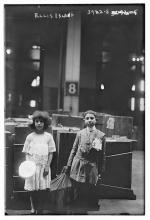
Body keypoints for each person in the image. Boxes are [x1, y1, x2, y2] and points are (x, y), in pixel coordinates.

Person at [64, 110, 106, 211]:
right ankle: (77, 207)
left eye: (92, 118)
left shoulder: (101, 135)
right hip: (78, 164)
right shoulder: (80, 133)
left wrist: (100, 170)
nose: (89, 120)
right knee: (77, 187)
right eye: (87, 118)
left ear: (96, 120)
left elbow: (102, 154)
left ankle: (86, 207)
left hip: (91, 165)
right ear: (84, 120)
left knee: (89, 188)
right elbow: (73, 150)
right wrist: (68, 165)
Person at [22, 110, 56, 214]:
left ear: (45, 123)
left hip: (43, 167)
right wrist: (29, 167)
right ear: (33, 123)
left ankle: (40, 208)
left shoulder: (48, 137)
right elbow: (26, 153)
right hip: (32, 167)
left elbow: (51, 153)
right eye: (37, 121)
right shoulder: (30, 137)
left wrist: (47, 166)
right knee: (32, 190)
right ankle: (33, 207)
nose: (39, 123)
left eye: (41, 121)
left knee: (42, 190)